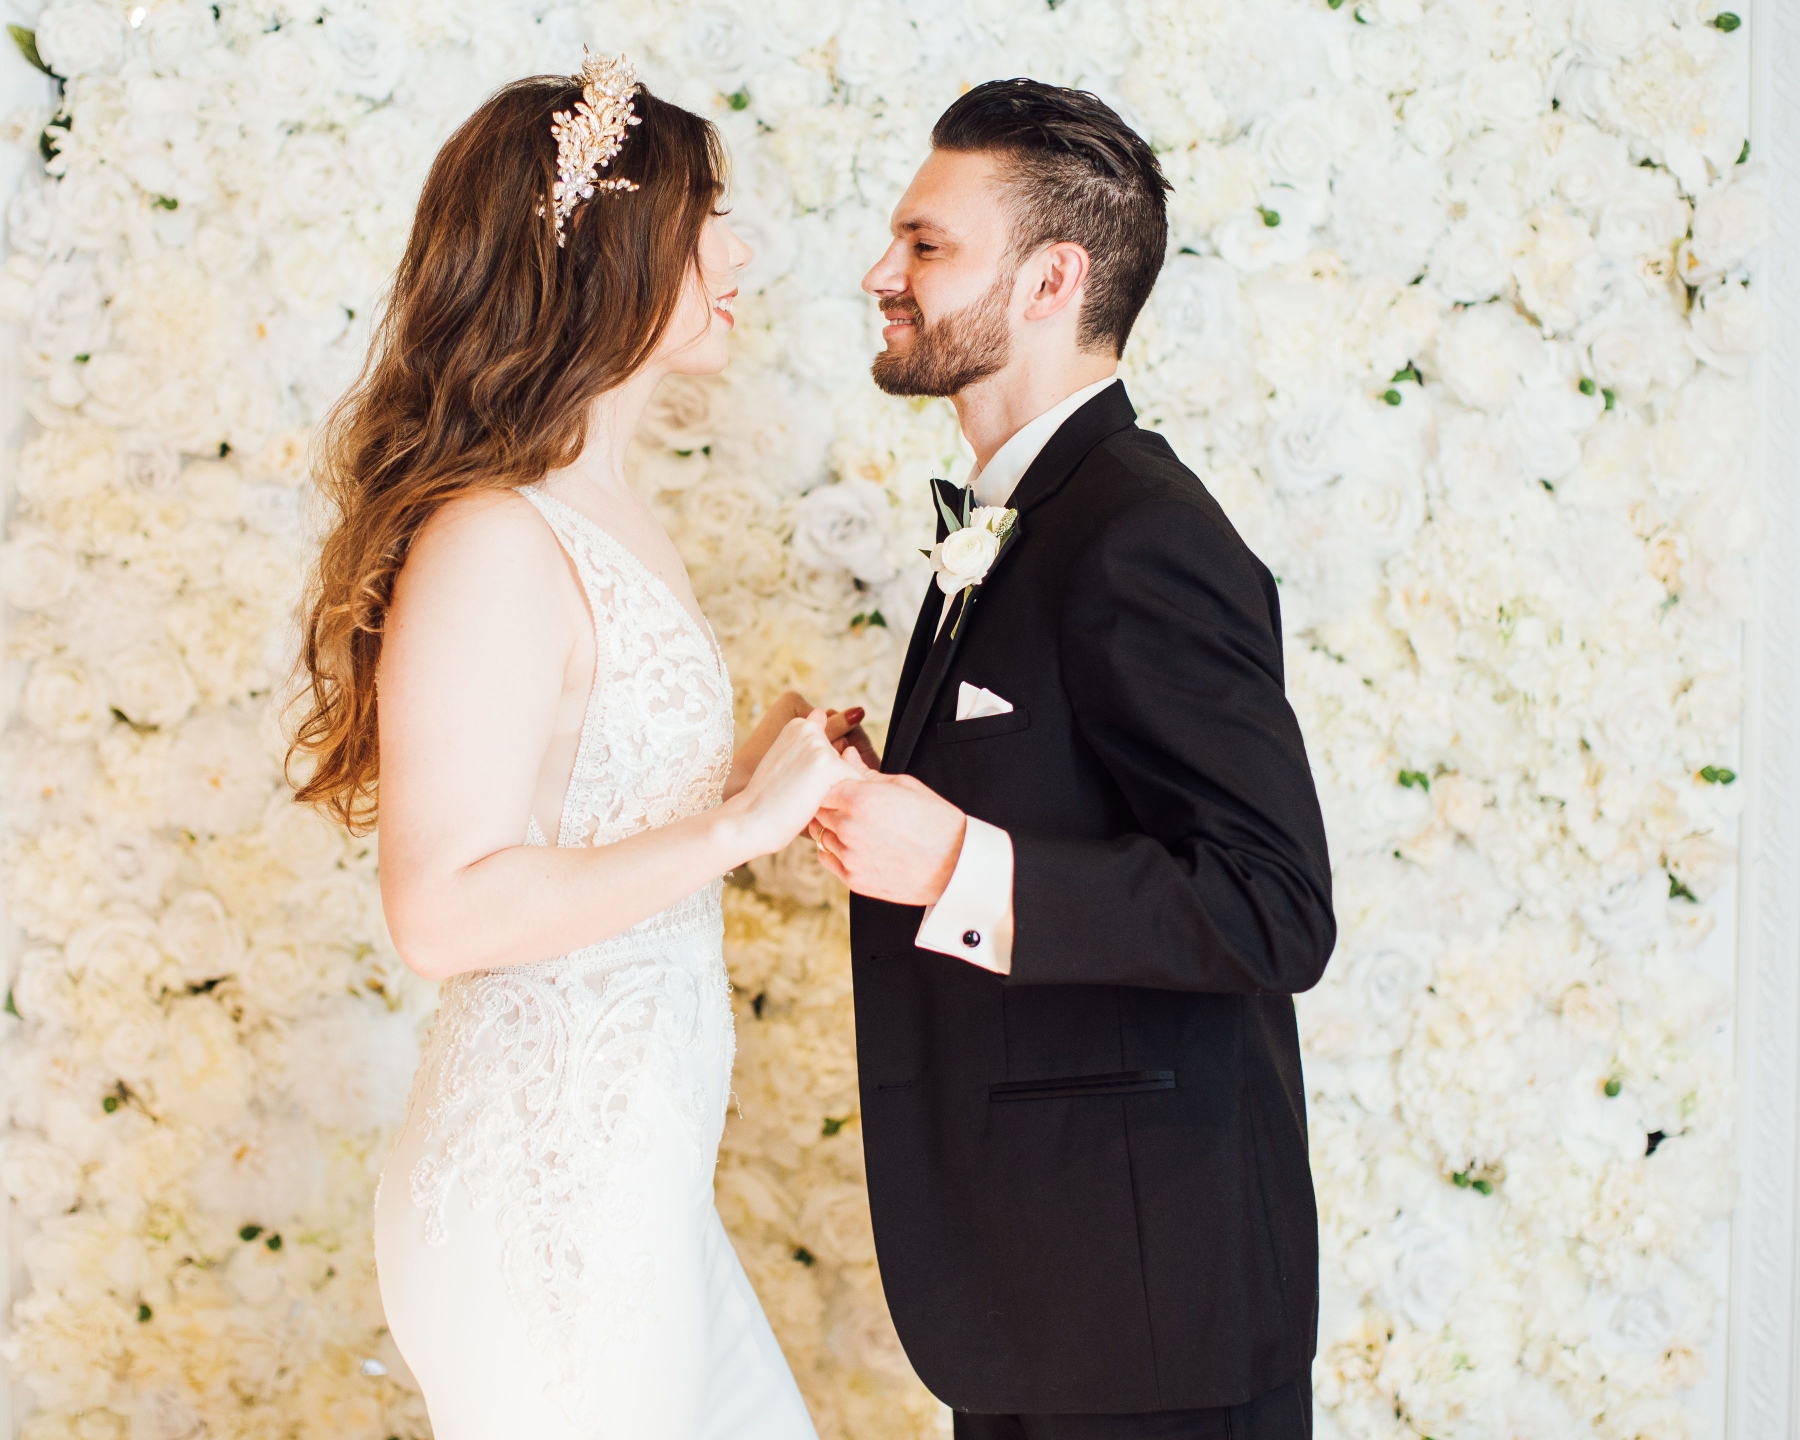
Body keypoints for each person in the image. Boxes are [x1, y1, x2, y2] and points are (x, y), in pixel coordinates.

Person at [287, 52, 848, 1440]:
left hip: (629, 1181)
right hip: (548, 1198)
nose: (741, 250)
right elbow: (444, 906)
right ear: (611, 246)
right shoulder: (492, 536)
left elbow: (572, 821)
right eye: (707, 214)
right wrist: (735, 830)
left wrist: (737, 777)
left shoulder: (597, 508)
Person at [809, 79, 1337, 1440]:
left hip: (1155, 1328)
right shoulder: (1013, 514)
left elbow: (1274, 908)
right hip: (1047, 1307)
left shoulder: (1140, 532)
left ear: (1051, 280)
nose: (883, 273)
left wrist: (961, 862)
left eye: (926, 245)